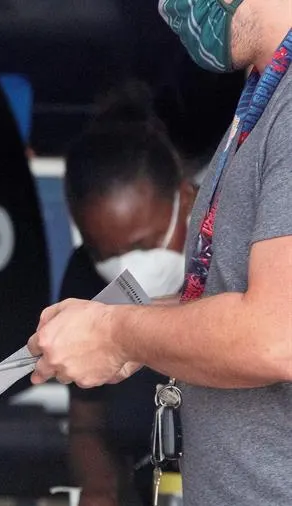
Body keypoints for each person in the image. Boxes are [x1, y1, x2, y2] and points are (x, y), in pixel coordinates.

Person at [28, 1, 292, 504]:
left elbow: (277, 335)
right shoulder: (262, 102)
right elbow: (234, 300)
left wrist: (117, 333)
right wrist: (118, 328)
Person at [59, 82, 203, 506]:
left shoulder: (239, 260)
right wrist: (100, 488)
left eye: (143, 245)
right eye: (107, 253)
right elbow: (86, 422)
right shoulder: (85, 283)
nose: (129, 269)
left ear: (186, 198)